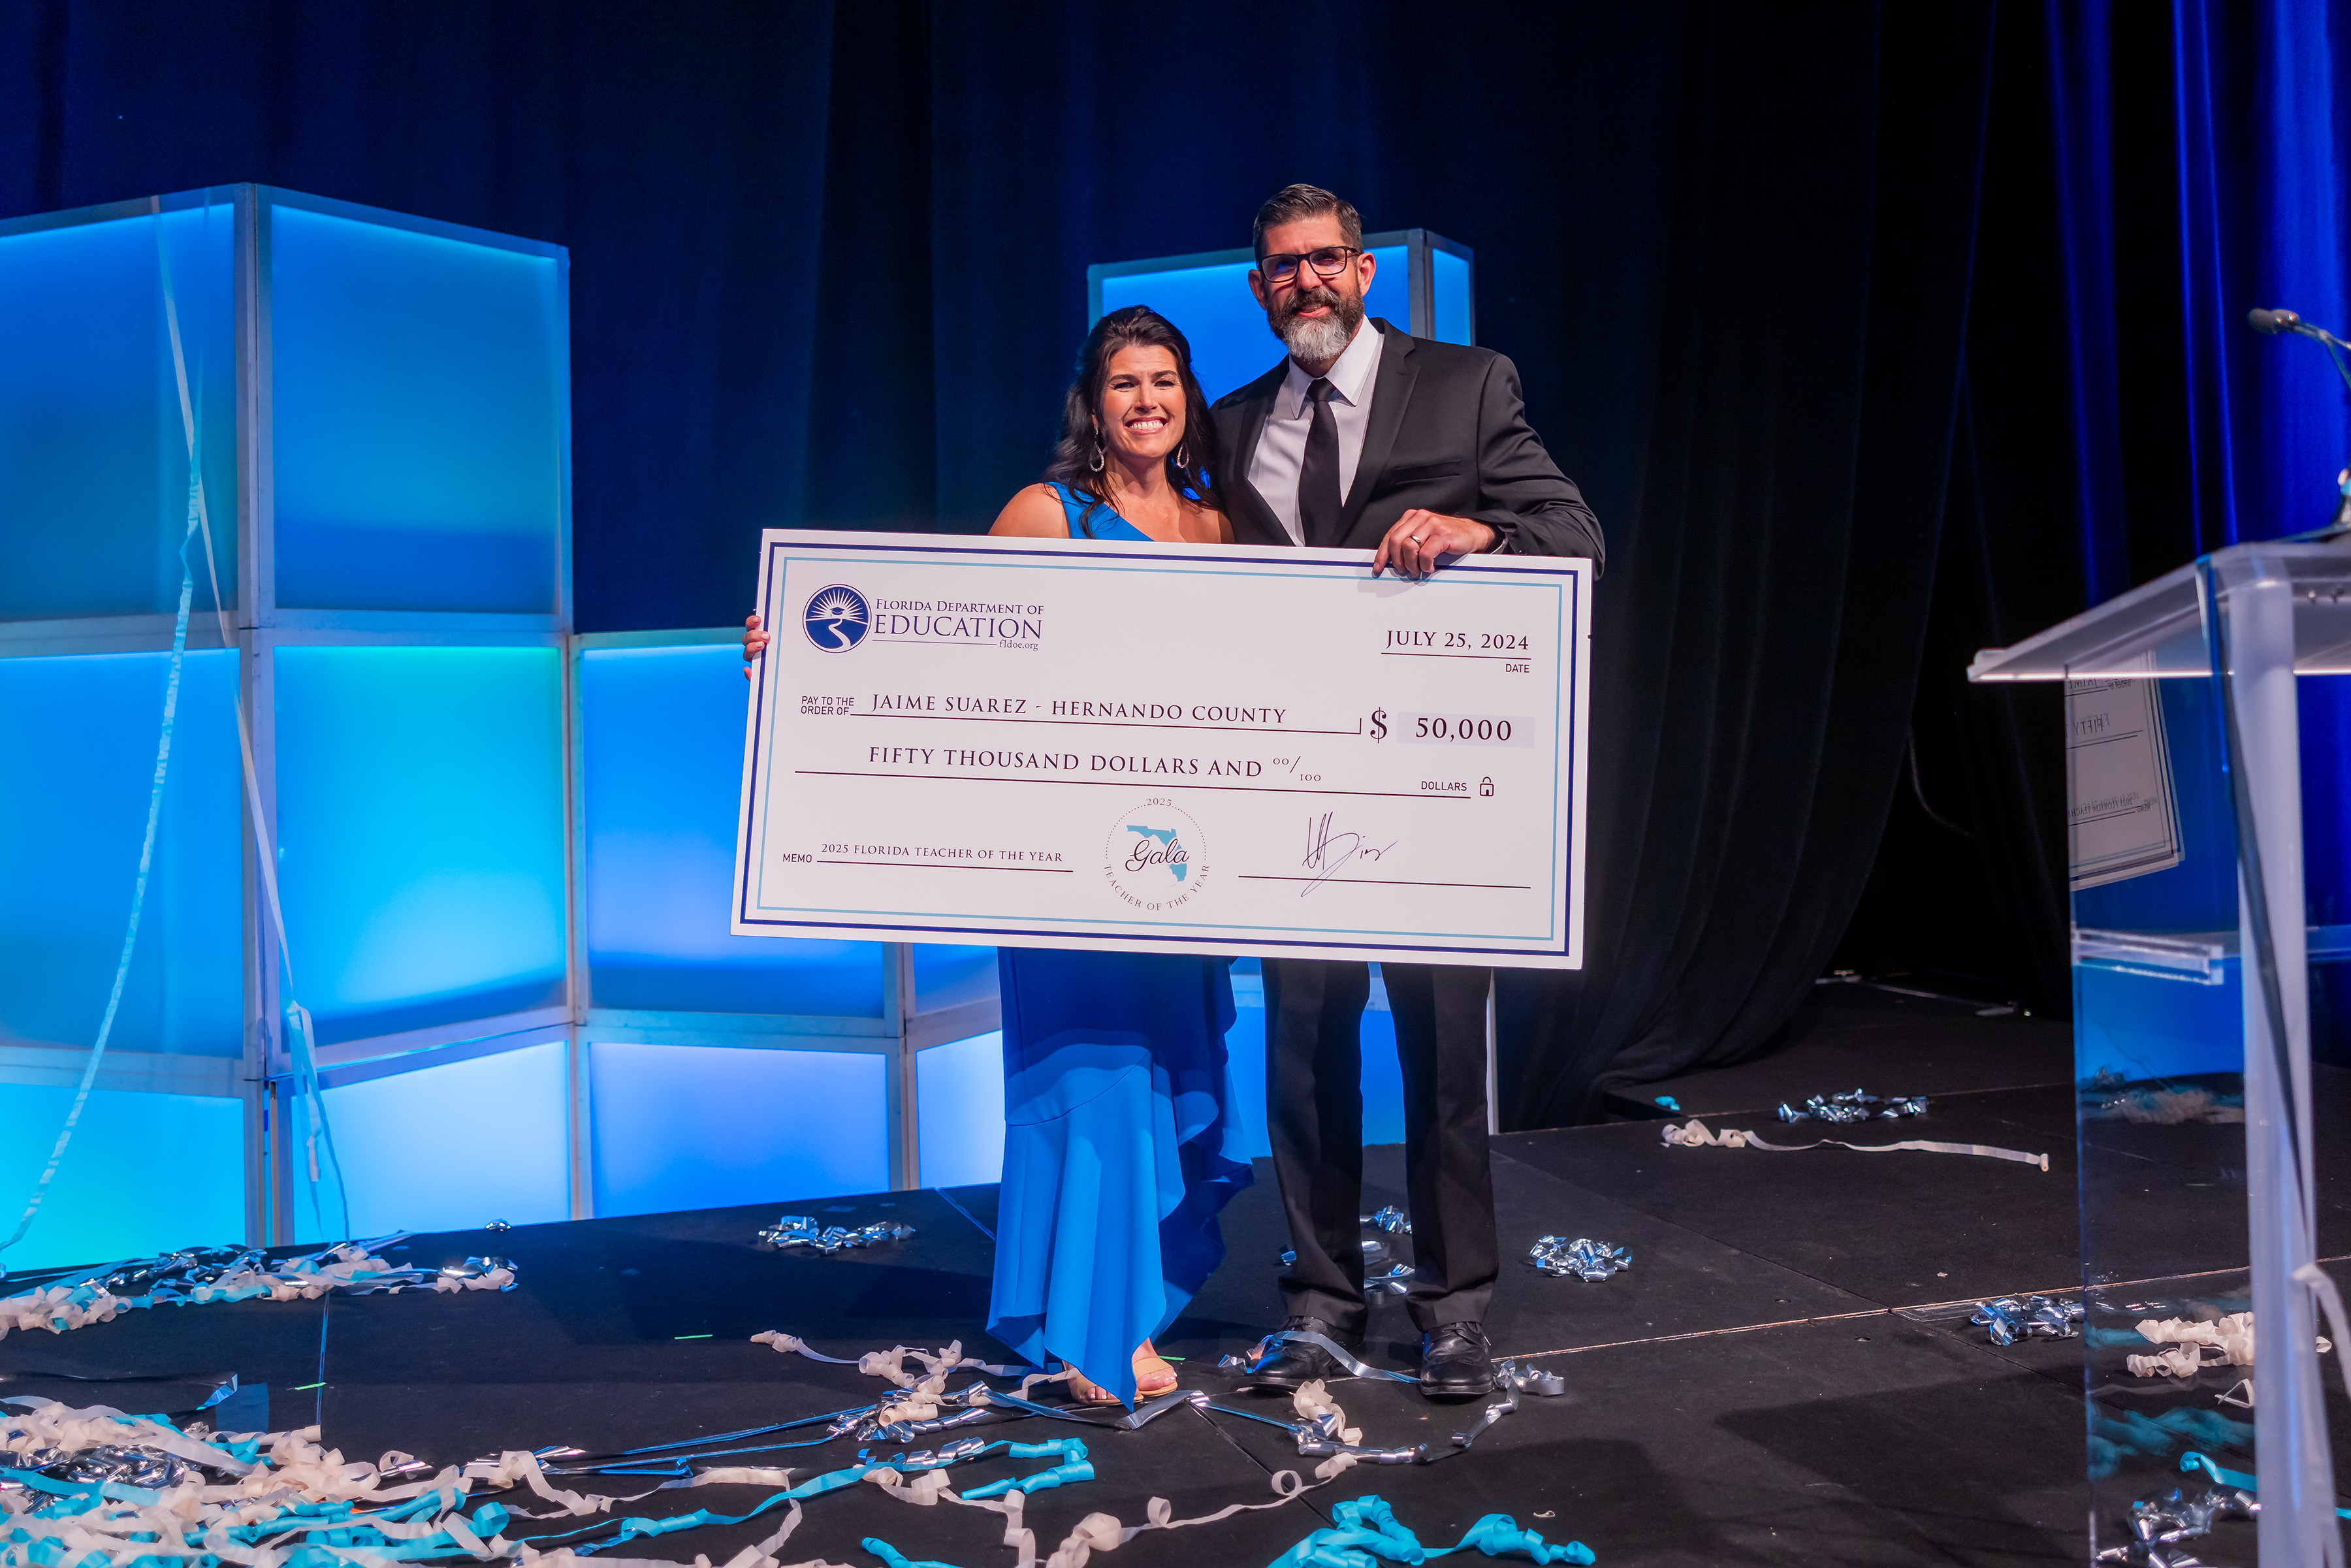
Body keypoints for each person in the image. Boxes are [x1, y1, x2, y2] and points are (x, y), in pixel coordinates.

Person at [741, 307, 1251, 1407]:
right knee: (1099, 1079)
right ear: (1095, 402)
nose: (1148, 400)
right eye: (1125, 383)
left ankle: (1136, 1308)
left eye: (1164, 379)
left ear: (1186, 394)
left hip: (1174, 864)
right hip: (1066, 870)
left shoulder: (1216, 527)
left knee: (1162, 1076)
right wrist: (799, 662)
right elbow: (942, 642)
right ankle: (1090, 1329)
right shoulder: (1047, 513)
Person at [1211, 184, 1603, 1400]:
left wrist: (1477, 534)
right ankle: (1323, 1299)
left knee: (1443, 1059)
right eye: (1282, 269)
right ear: (1259, 287)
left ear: (1366, 271)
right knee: (1304, 1055)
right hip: (1292, 798)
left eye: (1325, 262)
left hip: (1435, 791)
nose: (1306, 285)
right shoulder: (1226, 427)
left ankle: (1456, 1309)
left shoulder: (1468, 383)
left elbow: (1576, 533)